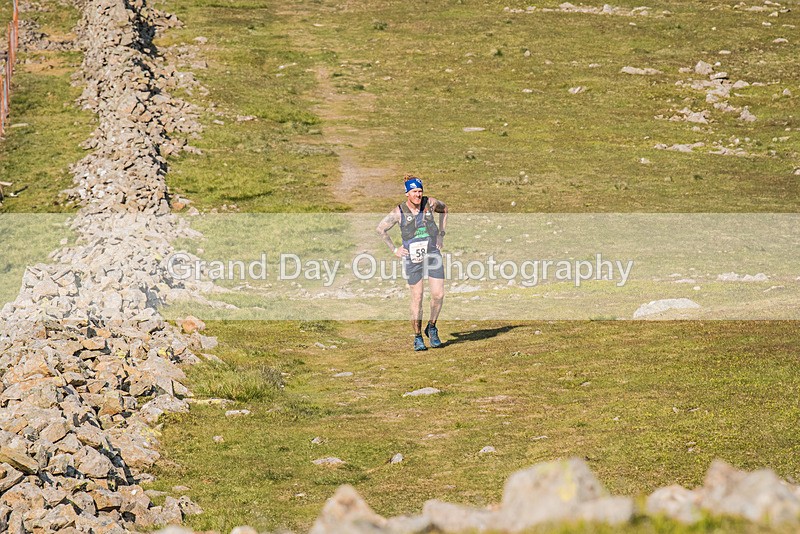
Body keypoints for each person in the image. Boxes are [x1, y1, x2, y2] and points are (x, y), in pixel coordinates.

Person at [376, 175, 448, 351]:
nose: (418, 194)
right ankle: (417, 338)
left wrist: (441, 234)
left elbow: (445, 209)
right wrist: (395, 250)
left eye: (420, 191)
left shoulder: (429, 204)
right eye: (414, 191)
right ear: (407, 193)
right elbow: (380, 229)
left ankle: (432, 327)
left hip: (432, 253)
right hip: (413, 259)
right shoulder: (399, 212)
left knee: (438, 295)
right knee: (418, 297)